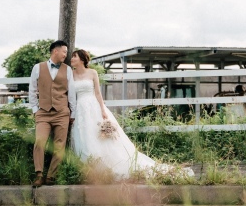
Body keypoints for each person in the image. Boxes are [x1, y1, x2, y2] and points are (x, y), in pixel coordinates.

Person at [68, 49, 193, 179]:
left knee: (101, 135)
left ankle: (109, 163)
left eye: (74, 56)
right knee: (84, 135)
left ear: (82, 59)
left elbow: (98, 93)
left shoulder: (92, 73)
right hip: (80, 108)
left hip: (93, 106)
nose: (71, 59)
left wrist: (103, 110)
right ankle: (88, 167)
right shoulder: (71, 74)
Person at [28, 40, 76, 187]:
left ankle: (51, 175)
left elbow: (72, 93)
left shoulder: (67, 70)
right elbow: (32, 90)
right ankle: (39, 174)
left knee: (59, 145)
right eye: (64, 52)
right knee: (39, 141)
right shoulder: (38, 68)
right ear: (55, 51)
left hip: (62, 112)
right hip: (43, 112)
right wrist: (35, 110)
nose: (65, 55)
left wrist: (72, 113)